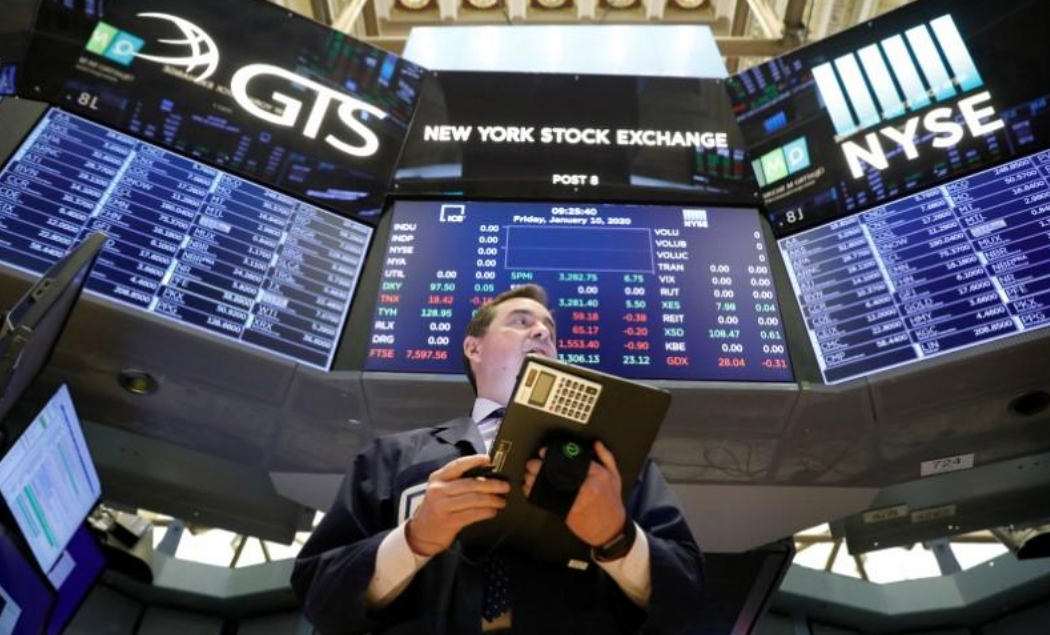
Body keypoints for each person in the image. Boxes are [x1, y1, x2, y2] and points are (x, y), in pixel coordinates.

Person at [292, 284, 705, 635]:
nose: (542, 331)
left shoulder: (612, 464)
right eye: (522, 322)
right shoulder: (393, 456)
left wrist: (617, 537)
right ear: (473, 347)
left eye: (549, 330)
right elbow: (319, 597)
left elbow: (688, 598)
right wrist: (415, 539)